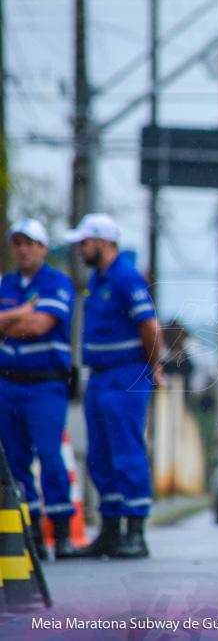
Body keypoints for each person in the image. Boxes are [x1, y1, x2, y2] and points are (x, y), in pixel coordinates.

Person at [65, 213, 164, 559]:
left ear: (102, 242)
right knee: (100, 457)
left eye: (84, 242)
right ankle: (109, 532)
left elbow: (150, 327)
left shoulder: (125, 278)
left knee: (127, 452)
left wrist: (155, 367)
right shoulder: (99, 280)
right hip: (101, 375)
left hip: (126, 375)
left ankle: (135, 533)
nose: (79, 249)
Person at [0, 219, 77, 559]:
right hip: (7, 383)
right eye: (17, 243)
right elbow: (25, 321)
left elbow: (40, 325)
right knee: (15, 462)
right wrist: (20, 313)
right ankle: (29, 532)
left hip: (45, 385)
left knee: (49, 457)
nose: (23, 249)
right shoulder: (7, 283)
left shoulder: (57, 283)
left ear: (43, 248)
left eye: (30, 243)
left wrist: (8, 321)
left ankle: (61, 533)